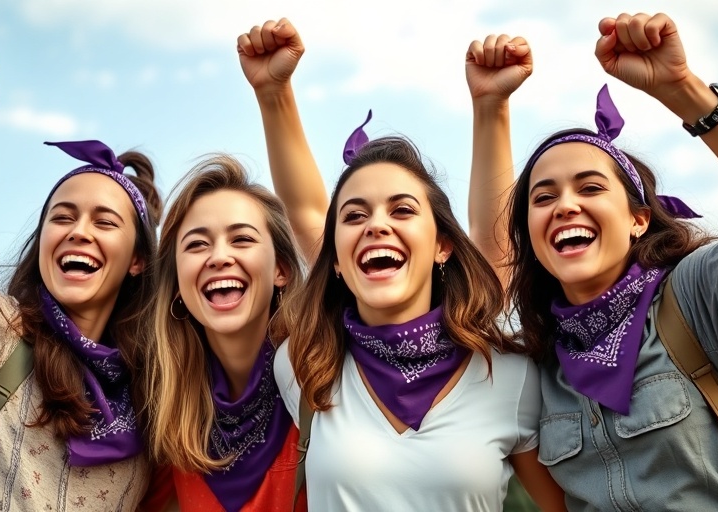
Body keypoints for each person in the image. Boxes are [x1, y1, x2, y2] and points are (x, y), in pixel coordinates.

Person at [469, 12, 718, 511]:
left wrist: (683, 90)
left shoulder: (695, 296)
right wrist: (490, 107)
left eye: (590, 187)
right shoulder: (538, 364)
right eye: (543, 198)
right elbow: (491, 258)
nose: (565, 205)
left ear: (639, 220)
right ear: (533, 240)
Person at [237, 19, 566, 512]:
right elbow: (305, 213)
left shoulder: (509, 377)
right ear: (340, 261)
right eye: (355, 215)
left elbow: (497, 247)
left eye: (403, 209)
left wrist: (492, 107)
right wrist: (273, 92)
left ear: (443, 246)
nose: (375, 225)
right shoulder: (306, 367)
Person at [0, 48, 162, 509]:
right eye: (63, 216)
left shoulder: (156, 389)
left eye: (105, 222)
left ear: (137, 261)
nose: (78, 231)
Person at [139, 156, 306, 512]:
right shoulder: (166, 414)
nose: (218, 256)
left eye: (242, 239)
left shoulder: (323, 380)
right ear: (178, 285)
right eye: (197, 244)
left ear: (282, 270)